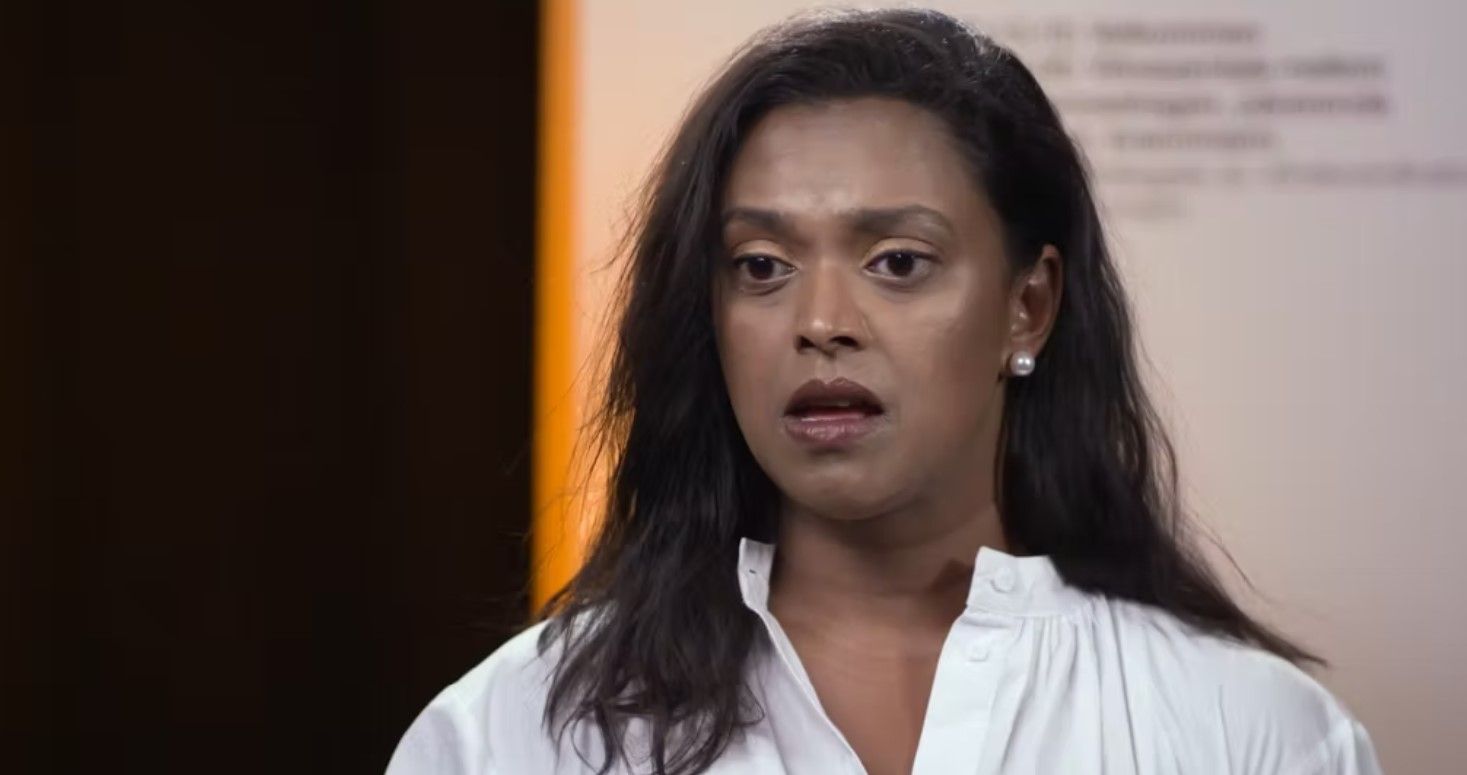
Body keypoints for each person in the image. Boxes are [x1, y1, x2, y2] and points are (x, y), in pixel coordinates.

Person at [386, 8, 1381, 774]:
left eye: (898, 261)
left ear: (1028, 306)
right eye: (762, 265)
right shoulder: (515, 732)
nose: (822, 320)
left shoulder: (1245, 729)